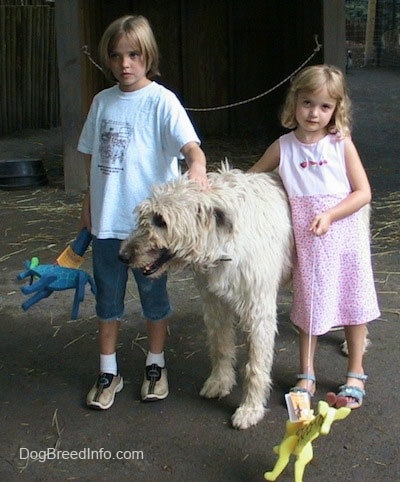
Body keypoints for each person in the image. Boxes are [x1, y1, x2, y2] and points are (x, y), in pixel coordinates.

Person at [78, 15, 208, 410]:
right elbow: (93, 160)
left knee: (154, 298)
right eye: (117, 56)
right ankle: (108, 371)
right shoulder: (102, 102)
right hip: (106, 223)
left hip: (149, 233)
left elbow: (191, 147)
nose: (125, 64)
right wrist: (87, 201)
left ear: (147, 55)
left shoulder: (161, 101)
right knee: (108, 301)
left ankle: (155, 364)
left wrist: (198, 167)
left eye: (133, 54)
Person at [249, 64, 380, 409]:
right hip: (307, 241)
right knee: (308, 303)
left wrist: (331, 214)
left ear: (336, 109)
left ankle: (355, 372)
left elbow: (363, 192)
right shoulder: (284, 147)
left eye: (325, 106)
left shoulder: (340, 145)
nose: (314, 113)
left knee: (352, 300)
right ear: (294, 103)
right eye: (307, 103)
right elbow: (250, 179)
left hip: (343, 235)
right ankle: (306, 373)